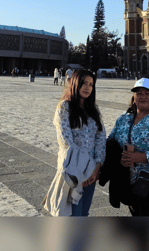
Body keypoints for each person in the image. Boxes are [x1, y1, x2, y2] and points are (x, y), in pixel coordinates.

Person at [106, 78, 149, 216]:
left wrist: (142, 157)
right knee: (134, 210)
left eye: (147, 93)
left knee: (148, 214)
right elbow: (110, 141)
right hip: (127, 175)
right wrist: (119, 158)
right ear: (133, 97)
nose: (143, 96)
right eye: (139, 93)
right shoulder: (124, 118)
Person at [43, 70, 106, 217]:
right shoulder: (65, 107)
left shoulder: (94, 110)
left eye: (91, 84)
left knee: (83, 213)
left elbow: (101, 137)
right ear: (75, 83)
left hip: (91, 172)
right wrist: (79, 174)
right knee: (71, 214)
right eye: (84, 83)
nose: (87, 87)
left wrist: (97, 167)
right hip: (72, 171)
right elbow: (66, 141)